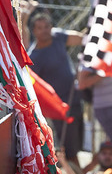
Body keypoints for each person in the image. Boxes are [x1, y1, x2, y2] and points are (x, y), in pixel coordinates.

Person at [27, 11, 85, 165]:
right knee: (71, 150)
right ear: (34, 31)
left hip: (76, 98)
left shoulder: (58, 37)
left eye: (47, 26)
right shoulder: (34, 57)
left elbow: (81, 39)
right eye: (40, 28)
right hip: (61, 109)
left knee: (80, 145)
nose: (44, 30)